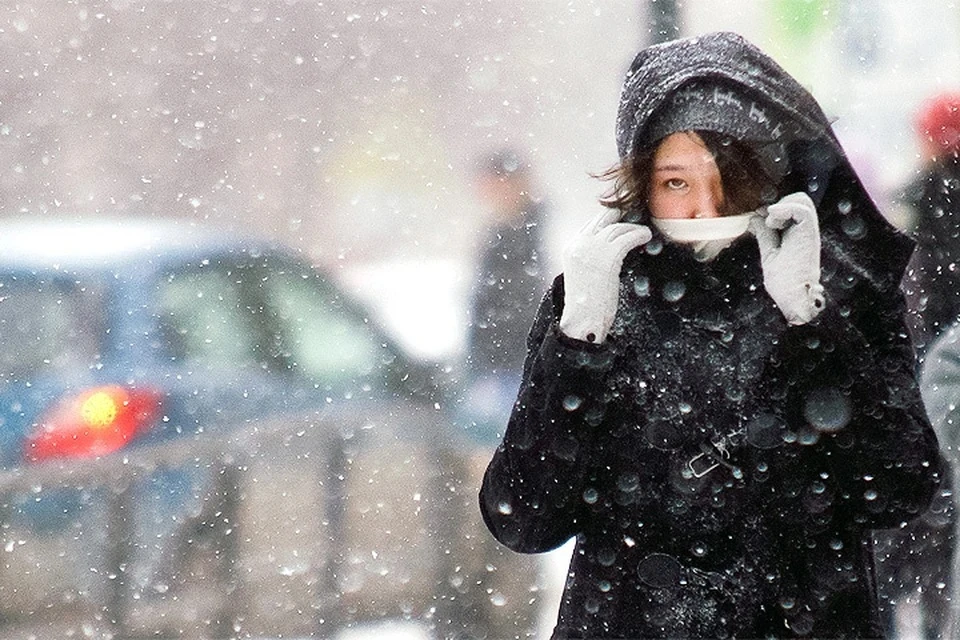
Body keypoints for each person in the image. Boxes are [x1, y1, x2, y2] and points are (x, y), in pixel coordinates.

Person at [479, 31, 942, 639]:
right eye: (676, 182)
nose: (703, 207)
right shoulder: (599, 299)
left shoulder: (839, 292)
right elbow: (523, 518)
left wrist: (812, 326)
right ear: (641, 184)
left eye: (729, 178)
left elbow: (901, 489)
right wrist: (576, 346)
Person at [461, 148, 548, 444]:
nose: (489, 193)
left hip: (515, 364)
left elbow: (524, 301)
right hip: (498, 363)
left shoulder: (530, 233)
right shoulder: (505, 232)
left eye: (496, 184)